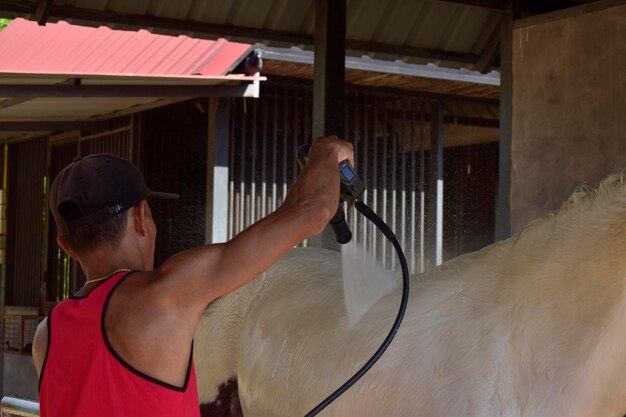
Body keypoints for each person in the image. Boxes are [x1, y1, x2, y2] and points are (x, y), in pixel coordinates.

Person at [32, 135, 354, 416]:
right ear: (141, 218)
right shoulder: (165, 296)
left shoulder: (46, 336)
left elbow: (291, 217)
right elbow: (313, 212)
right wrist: (326, 150)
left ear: (66, 247)